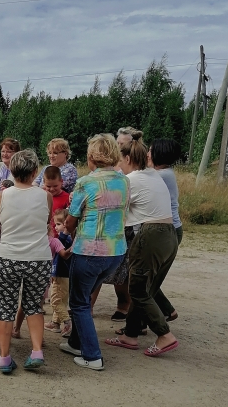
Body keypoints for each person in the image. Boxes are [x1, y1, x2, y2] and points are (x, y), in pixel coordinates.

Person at [59, 134, 130, 371]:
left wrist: (67, 233)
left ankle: (92, 355)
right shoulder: (124, 181)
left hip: (89, 251)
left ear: (91, 157)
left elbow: (71, 221)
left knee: (79, 302)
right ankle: (76, 343)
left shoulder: (85, 183)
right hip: (116, 251)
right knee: (86, 295)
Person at [105, 138, 179, 357]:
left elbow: (112, 208)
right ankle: (130, 334)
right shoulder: (153, 174)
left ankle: (164, 334)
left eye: (120, 160)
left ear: (127, 158)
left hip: (151, 235)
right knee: (147, 288)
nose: (119, 165)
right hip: (169, 235)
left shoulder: (130, 180)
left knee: (137, 289)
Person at [0, 149, 53, 374]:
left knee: (6, 308)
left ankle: (4, 357)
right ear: (35, 171)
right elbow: (47, 219)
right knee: (34, 306)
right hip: (39, 258)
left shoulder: (2, 196)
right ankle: (37, 351)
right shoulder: (45, 196)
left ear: (11, 170)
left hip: (9, 257)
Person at [92, 127, 146, 319]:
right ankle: (89, 307)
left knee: (122, 271)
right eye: (118, 143)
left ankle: (124, 305)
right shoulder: (115, 169)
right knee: (104, 268)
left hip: (128, 227)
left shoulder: (130, 177)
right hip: (113, 225)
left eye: (123, 144)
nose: (119, 147)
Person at [149, 138, 183, 321]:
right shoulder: (162, 173)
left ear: (159, 154)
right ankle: (167, 310)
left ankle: (142, 321)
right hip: (167, 229)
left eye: (150, 150)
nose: (148, 154)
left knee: (149, 279)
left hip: (168, 230)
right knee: (150, 277)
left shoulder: (162, 175)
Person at [44, 207, 72, 335]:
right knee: (62, 300)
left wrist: (65, 232)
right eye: (55, 224)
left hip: (61, 275)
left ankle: (67, 322)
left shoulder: (64, 239)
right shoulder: (66, 238)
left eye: (59, 224)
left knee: (55, 301)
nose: (56, 227)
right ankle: (55, 323)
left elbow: (62, 253)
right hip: (64, 275)